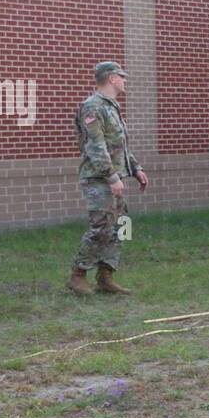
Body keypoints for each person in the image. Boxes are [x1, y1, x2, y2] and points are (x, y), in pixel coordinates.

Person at [67, 61, 148, 296]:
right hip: (98, 178)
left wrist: (136, 168)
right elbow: (96, 146)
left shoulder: (112, 107)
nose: (125, 81)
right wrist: (111, 177)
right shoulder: (92, 106)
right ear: (111, 78)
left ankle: (106, 275)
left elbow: (119, 145)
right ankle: (78, 274)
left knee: (123, 226)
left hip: (116, 176)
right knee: (101, 227)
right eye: (122, 77)